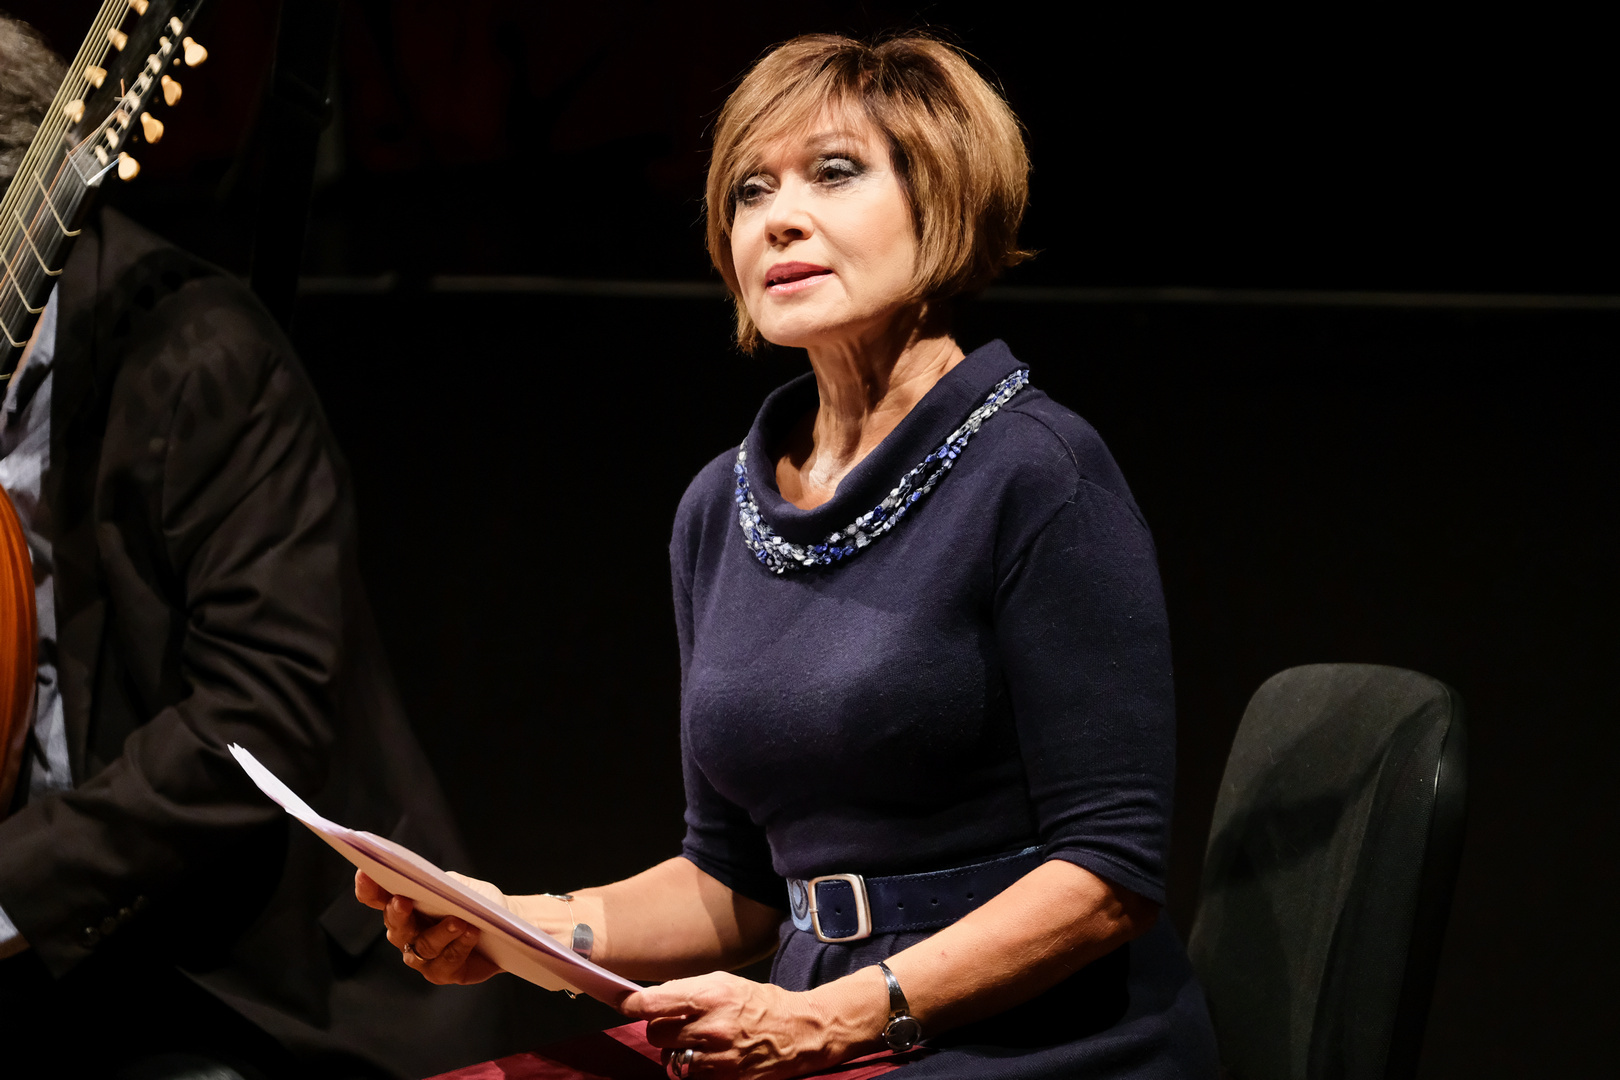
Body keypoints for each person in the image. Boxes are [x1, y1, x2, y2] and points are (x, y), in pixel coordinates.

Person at [362, 32, 1220, 1079]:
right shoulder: (719, 509)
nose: (778, 218)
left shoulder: (1040, 472)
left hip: (1037, 1041)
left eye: (834, 172)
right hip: (811, 1018)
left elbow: (1109, 877)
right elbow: (733, 882)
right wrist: (514, 924)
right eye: (750, 191)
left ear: (944, 199)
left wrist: (835, 1019)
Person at [0, 15, 498, 1079]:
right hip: (48, 966)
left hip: (241, 981)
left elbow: (257, 718)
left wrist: (8, 888)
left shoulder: (201, 362)